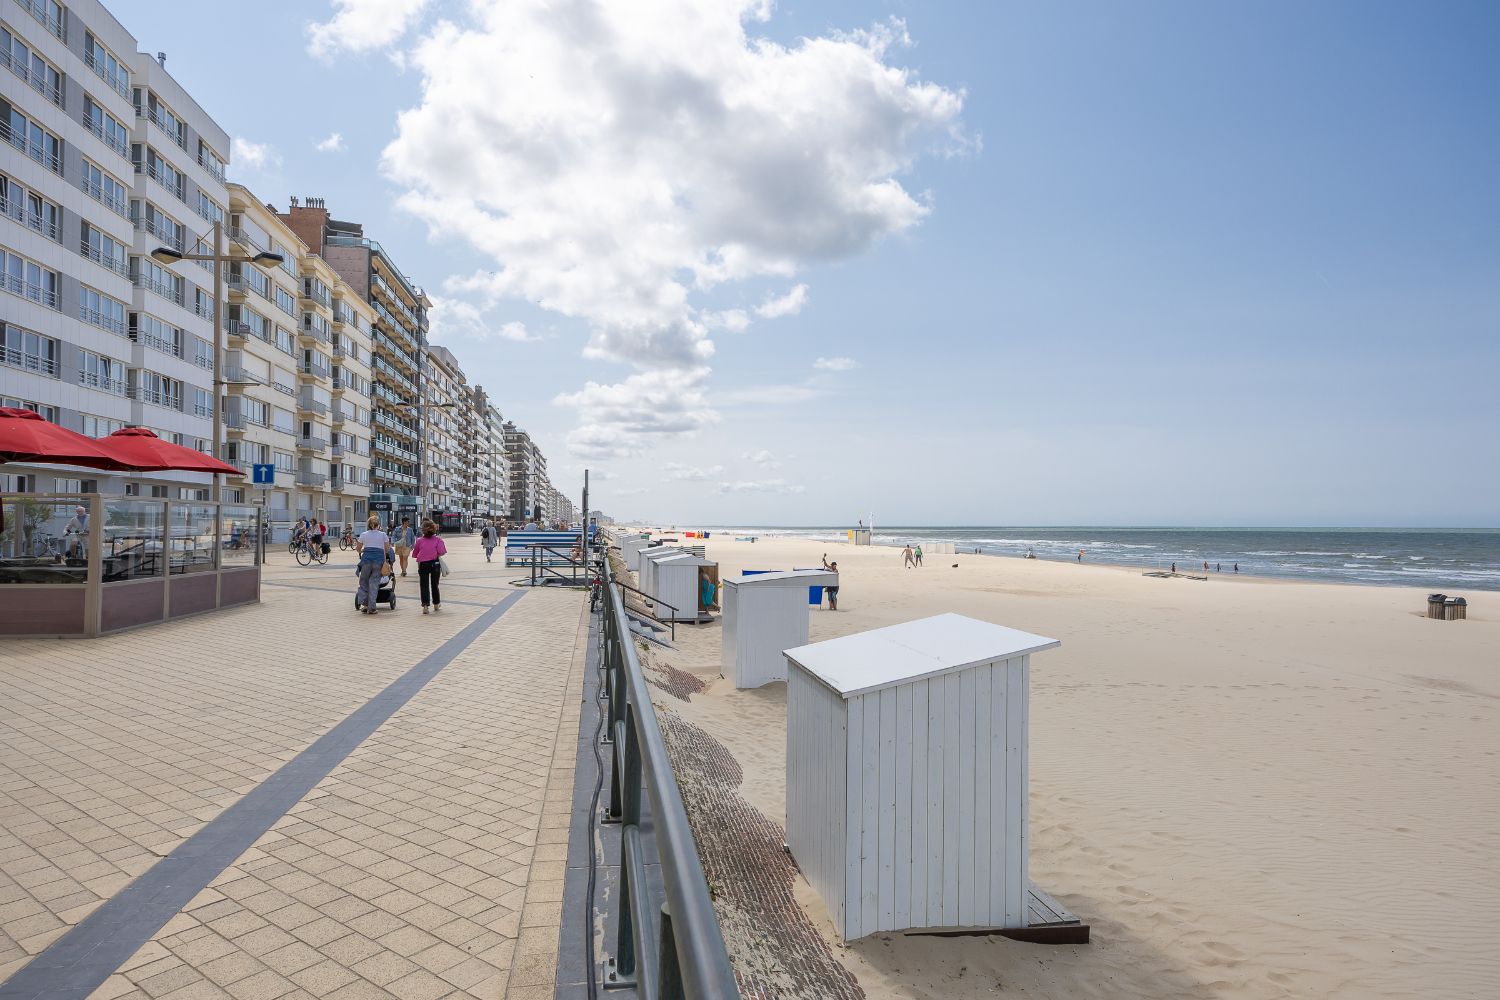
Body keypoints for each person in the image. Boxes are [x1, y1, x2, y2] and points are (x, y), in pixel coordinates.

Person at [356, 514, 393, 615]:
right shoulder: (383, 535)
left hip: (366, 561)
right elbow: (387, 549)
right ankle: (372, 608)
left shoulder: (363, 534)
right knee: (374, 584)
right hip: (378, 561)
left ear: (368, 525)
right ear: (378, 525)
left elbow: (358, 549)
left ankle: (365, 604)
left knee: (363, 583)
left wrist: (364, 549)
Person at [412, 519, 448, 614]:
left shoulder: (419, 541)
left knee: (424, 585)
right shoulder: (438, 540)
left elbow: (415, 554)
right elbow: (442, 551)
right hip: (435, 564)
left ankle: (425, 605)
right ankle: (436, 604)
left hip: (423, 564)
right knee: (435, 585)